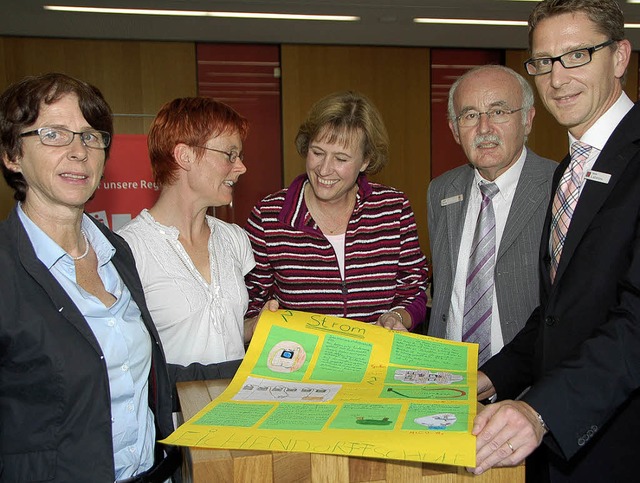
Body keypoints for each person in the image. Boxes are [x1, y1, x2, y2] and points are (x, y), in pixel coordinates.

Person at [470, 1, 640, 481]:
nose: (557, 78)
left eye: (577, 55)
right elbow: (558, 314)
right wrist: (487, 378)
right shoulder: (569, 170)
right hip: (561, 445)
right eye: (543, 62)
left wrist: (539, 411)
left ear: (620, 57)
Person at [0, 73, 180, 481]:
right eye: (54, 134)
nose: (78, 151)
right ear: (12, 154)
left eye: (90, 136)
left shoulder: (117, 253)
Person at [244, 91, 429, 332]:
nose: (324, 169)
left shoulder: (393, 208)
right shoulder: (269, 216)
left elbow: (413, 288)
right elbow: (249, 300)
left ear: (365, 161)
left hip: (374, 361)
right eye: (317, 152)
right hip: (300, 362)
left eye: (341, 158)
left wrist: (397, 317)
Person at [118, 97, 257, 383]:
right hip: (174, 423)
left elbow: (215, 330)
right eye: (230, 154)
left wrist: (256, 328)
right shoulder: (129, 250)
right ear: (185, 156)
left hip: (236, 417)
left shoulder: (235, 240)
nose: (241, 167)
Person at [427, 65, 556, 366]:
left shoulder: (557, 187)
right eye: (470, 115)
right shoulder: (441, 191)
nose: (484, 129)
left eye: (498, 112)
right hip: (448, 381)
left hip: (530, 386)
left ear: (527, 120)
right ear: (454, 130)